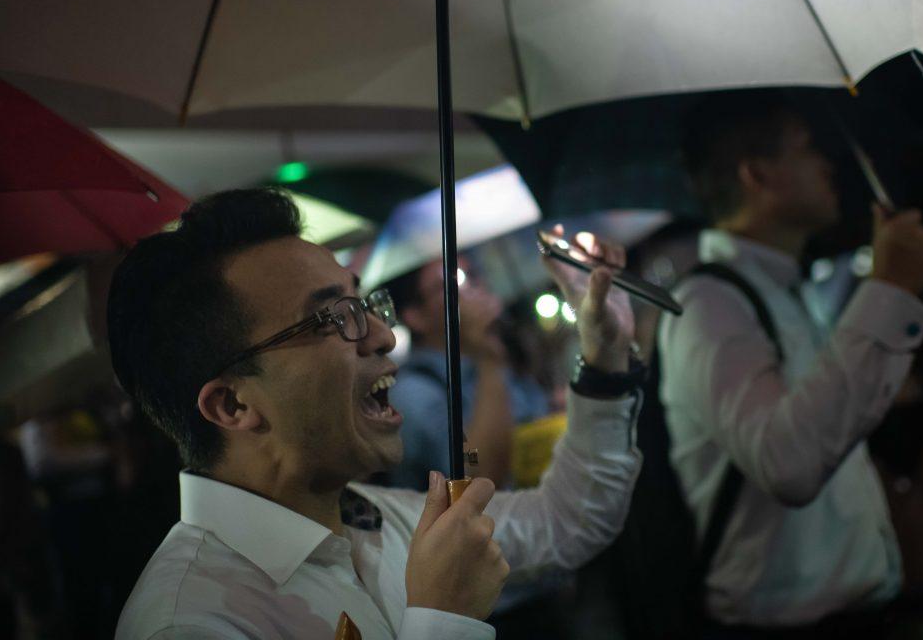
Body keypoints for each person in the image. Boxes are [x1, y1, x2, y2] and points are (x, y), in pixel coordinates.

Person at [108, 189, 643, 640]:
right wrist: (444, 620)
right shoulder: (188, 622)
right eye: (333, 317)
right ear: (232, 404)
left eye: (363, 304)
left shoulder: (379, 516)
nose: (383, 336)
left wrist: (606, 359)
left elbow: (567, 520)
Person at [658, 99, 923, 637]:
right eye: (808, 148)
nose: (828, 164)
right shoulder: (709, 304)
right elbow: (788, 464)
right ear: (758, 174)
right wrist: (888, 289)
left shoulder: (788, 292)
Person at [384, 259, 549, 491]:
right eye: (447, 286)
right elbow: (477, 478)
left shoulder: (495, 359)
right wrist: (488, 361)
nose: (469, 290)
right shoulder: (413, 393)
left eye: (470, 276)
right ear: (415, 317)